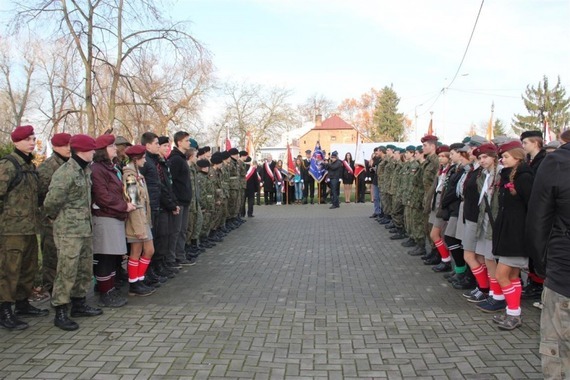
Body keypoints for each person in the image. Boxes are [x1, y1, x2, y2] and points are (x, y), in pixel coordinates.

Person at [44, 134, 103, 331]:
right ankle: (61, 310)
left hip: (84, 229)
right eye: (92, 149)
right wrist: (59, 220)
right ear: (82, 151)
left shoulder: (85, 170)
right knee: (66, 270)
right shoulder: (66, 172)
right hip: (68, 231)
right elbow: (51, 202)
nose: (94, 152)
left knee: (84, 268)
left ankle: (79, 303)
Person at [526, 136, 570, 379]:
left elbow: (537, 222)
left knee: (559, 354)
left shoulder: (557, 162)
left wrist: (543, 267)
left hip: (564, 276)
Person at [0, 125, 47, 331]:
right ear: (16, 142)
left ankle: (22, 304)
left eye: (33, 138)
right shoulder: (8, 165)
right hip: (11, 229)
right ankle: (5, 310)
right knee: (9, 271)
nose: (32, 142)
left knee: (27, 269)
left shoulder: (29, 166)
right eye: (27, 139)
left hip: (29, 228)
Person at [487, 140, 534, 330]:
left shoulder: (524, 177)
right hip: (508, 231)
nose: (502, 160)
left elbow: (531, 206)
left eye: (505, 157)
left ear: (517, 156)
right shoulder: (509, 175)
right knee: (513, 276)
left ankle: (514, 313)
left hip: (517, 234)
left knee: (501, 274)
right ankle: (512, 312)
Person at [91, 134, 135, 308]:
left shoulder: (111, 167)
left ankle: (109, 289)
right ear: (103, 150)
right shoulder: (97, 169)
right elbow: (103, 197)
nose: (115, 149)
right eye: (111, 147)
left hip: (113, 215)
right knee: (105, 257)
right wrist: (124, 206)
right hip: (105, 216)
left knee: (111, 257)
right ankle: (105, 292)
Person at [38, 133, 72, 296]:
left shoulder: (70, 165)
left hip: (68, 220)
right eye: (64, 145)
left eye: (70, 145)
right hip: (51, 220)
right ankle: (52, 290)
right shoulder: (48, 167)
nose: (68, 148)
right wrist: (50, 216)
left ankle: (65, 290)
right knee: (52, 257)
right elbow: (43, 197)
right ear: (55, 147)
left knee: (66, 257)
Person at [122, 145, 156, 296]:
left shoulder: (137, 176)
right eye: (142, 158)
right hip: (136, 221)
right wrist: (139, 228)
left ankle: (139, 279)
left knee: (147, 250)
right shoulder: (130, 177)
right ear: (135, 159)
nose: (145, 160)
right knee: (138, 251)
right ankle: (134, 283)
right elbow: (134, 202)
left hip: (142, 219)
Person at [167, 131, 194, 266]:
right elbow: (171, 182)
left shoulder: (181, 158)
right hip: (178, 201)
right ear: (179, 142)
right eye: (187, 140)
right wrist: (174, 201)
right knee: (175, 231)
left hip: (184, 200)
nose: (189, 143)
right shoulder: (176, 159)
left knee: (182, 230)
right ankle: (172, 258)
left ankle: (180, 255)